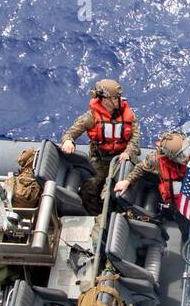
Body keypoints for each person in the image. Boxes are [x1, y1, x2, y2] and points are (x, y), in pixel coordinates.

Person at [60, 79, 141, 211]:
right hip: (101, 159)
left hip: (122, 158)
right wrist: (68, 141)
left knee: (123, 187)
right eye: (114, 98)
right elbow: (70, 133)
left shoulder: (128, 114)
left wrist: (128, 152)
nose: (118, 100)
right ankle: (96, 213)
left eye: (117, 97)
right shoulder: (91, 117)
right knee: (89, 187)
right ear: (104, 100)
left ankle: (119, 211)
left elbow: (135, 138)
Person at [115, 130, 188, 214]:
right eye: (181, 156)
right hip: (174, 200)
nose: (186, 157)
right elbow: (141, 167)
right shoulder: (156, 160)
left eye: (186, 151)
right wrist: (127, 181)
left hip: (188, 194)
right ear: (170, 156)